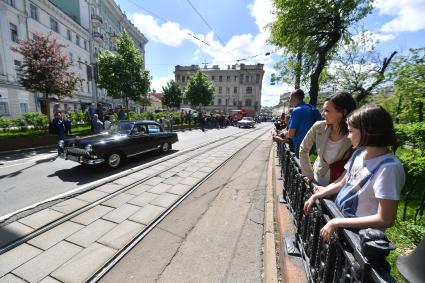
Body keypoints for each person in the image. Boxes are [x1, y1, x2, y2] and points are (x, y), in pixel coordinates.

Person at [303, 105, 405, 241]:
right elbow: (344, 182)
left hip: (360, 240)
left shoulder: (389, 168)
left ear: (367, 131)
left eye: (351, 131)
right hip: (343, 229)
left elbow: (385, 219)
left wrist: (337, 222)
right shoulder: (359, 154)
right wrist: (319, 194)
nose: (348, 136)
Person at [299, 92, 357, 186]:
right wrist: (308, 173)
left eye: (327, 110)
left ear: (343, 112)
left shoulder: (354, 134)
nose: (322, 114)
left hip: (339, 184)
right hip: (317, 178)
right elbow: (303, 149)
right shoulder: (319, 127)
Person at [280, 89, 322, 157]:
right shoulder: (310, 107)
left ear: (294, 98)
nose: (289, 100)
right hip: (313, 143)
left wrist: (284, 134)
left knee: (299, 165)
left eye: (290, 98)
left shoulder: (297, 110)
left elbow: (291, 134)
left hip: (301, 144)